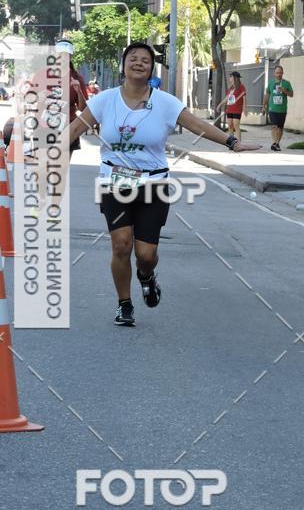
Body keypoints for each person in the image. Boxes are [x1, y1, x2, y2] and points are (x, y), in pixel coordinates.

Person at [68, 42, 260, 327]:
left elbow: (198, 126)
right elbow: (73, 129)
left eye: (145, 60)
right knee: (121, 245)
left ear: (151, 68)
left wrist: (232, 142)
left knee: (146, 255)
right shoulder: (104, 100)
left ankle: (146, 276)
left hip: (153, 183)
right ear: (123, 65)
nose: (138, 63)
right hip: (114, 180)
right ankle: (124, 304)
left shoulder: (165, 103)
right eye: (132, 58)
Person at [262, 64, 293, 152]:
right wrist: (264, 107)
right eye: (277, 73)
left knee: (280, 127)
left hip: (282, 109)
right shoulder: (271, 83)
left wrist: (284, 90)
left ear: (282, 73)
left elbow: (291, 94)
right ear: (274, 73)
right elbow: (267, 95)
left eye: (280, 73)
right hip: (272, 108)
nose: (278, 74)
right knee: (274, 126)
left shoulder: (286, 83)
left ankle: (277, 143)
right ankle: (274, 143)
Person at [216, 71, 247, 140]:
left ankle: (238, 143)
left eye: (231, 76)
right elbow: (227, 98)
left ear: (235, 78)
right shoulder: (231, 88)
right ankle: (232, 142)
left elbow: (244, 97)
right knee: (230, 125)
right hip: (230, 109)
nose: (229, 78)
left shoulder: (241, 86)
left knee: (236, 125)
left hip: (237, 110)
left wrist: (244, 107)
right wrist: (219, 105)